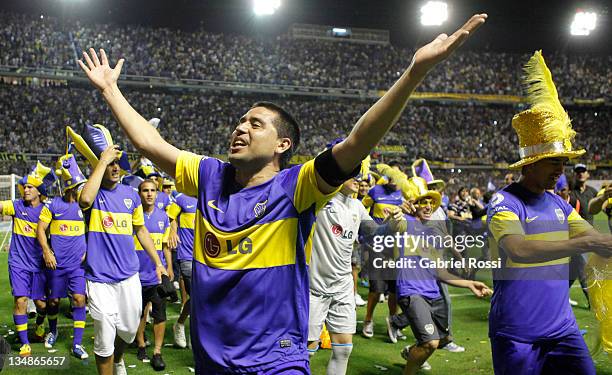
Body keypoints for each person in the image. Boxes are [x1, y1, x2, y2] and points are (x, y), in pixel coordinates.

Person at [77, 13, 488, 372]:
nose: (241, 128)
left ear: (282, 146)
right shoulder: (208, 175)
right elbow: (151, 144)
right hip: (212, 357)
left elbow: (357, 141)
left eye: (256, 124)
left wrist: (414, 72)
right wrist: (110, 89)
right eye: (240, 121)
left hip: (277, 359)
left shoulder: (297, 187)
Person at [486, 51, 612, 375]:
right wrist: (584, 246)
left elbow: (591, 235)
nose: (561, 170)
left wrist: (600, 242)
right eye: (553, 162)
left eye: (563, 163)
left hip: (564, 331)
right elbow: (519, 249)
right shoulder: (505, 202)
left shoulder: (558, 203)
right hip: (517, 333)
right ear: (530, 164)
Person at [71, 124, 168, 375]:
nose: (115, 167)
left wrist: (157, 261)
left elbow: (141, 231)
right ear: (100, 164)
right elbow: (84, 200)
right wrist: (102, 162)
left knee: (126, 332)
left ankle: (118, 360)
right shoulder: (92, 192)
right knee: (104, 336)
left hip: (129, 277)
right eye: (111, 163)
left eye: (118, 163)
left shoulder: (131, 196)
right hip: (100, 279)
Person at [307, 161, 406, 374]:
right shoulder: (319, 199)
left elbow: (374, 233)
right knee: (307, 350)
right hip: (313, 286)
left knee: (343, 350)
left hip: (342, 287)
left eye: (359, 175)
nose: (358, 178)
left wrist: (392, 223)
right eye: (352, 173)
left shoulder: (357, 206)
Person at [386, 178, 491, 374]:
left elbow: (440, 272)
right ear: (414, 205)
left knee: (442, 339)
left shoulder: (433, 234)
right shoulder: (407, 223)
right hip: (411, 292)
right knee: (431, 342)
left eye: (430, 203)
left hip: (433, 294)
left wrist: (469, 283)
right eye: (422, 202)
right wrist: (397, 211)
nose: (427, 206)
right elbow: (394, 224)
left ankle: (411, 351)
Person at [35, 154, 89, 359]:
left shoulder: (85, 207)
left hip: (77, 265)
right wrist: (47, 251)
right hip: (56, 264)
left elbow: (93, 230)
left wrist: (87, 250)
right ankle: (53, 331)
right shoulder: (52, 205)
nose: (75, 188)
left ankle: (77, 343)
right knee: (54, 302)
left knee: (79, 299)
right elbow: (40, 230)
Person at [0, 162, 55, 356]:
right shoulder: (16, 206)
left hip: (39, 265)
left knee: (42, 305)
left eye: (30, 187)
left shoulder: (47, 212)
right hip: (18, 263)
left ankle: (40, 327)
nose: (26, 189)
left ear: (39, 191)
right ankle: (24, 343)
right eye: (25, 186)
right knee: (21, 300)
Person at [134, 179, 173, 371]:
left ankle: (157, 352)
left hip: (156, 276)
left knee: (160, 314)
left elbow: (165, 246)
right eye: (145, 190)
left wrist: (169, 267)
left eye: (152, 190)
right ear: (139, 193)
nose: (149, 194)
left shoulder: (163, 217)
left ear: (157, 193)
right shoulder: (133, 215)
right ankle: (141, 344)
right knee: (137, 315)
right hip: (134, 275)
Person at [166, 191, 197, 349]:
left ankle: (179, 324)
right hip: (187, 255)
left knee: (201, 297)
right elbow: (170, 216)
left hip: (208, 257)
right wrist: (172, 230)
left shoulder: (213, 196)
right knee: (198, 296)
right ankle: (195, 336)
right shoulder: (182, 198)